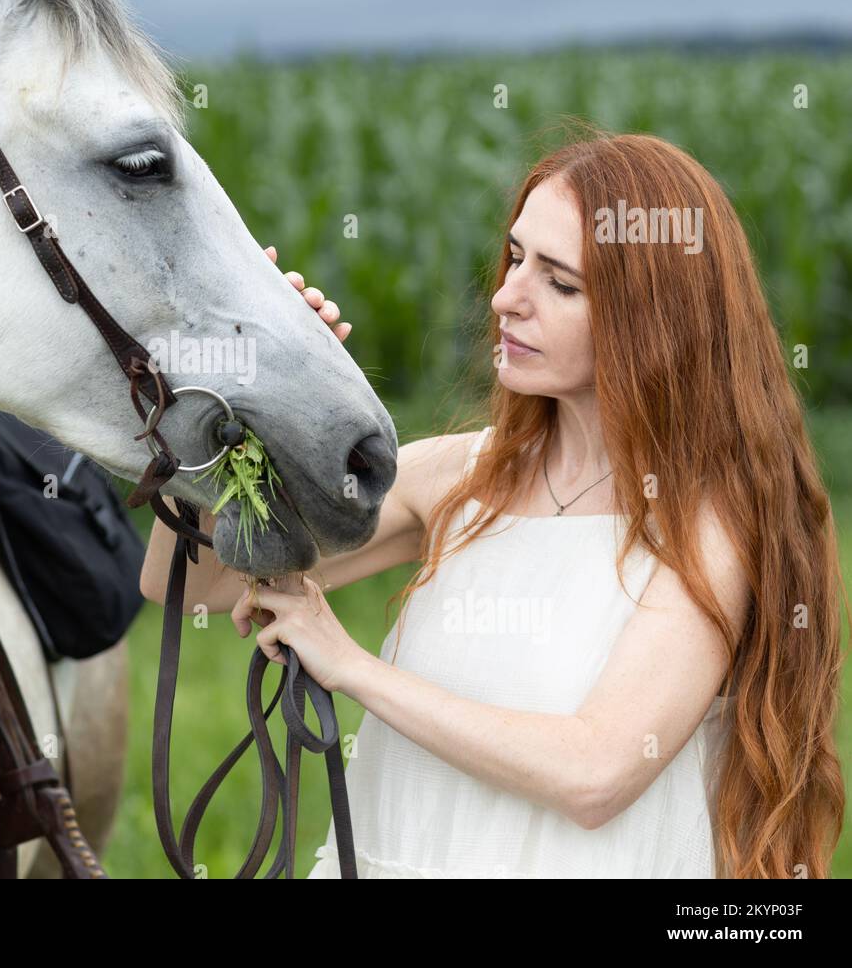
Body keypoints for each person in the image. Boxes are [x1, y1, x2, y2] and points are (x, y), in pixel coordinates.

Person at [140, 129, 847, 878]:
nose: (507, 297)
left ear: (654, 320)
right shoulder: (461, 478)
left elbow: (597, 772)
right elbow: (192, 583)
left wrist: (348, 663)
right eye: (515, 258)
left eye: (559, 282)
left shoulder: (710, 527)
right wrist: (251, 401)